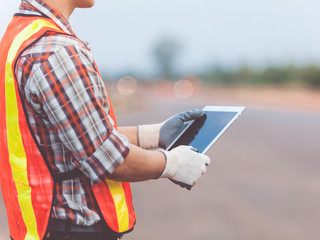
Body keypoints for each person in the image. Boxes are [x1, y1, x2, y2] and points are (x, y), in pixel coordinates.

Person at [0, 0, 210, 239]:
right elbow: (106, 157)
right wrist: (173, 164)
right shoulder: (55, 50)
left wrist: (153, 134)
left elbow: (70, 135)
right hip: (73, 228)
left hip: (44, 227)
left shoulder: (19, 36)